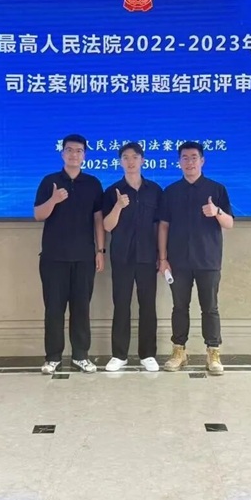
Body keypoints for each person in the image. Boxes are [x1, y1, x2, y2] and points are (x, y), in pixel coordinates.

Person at [158, 141, 234, 375]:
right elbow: (163, 226)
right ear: (179, 162)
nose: (189, 162)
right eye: (185, 157)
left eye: (193, 157)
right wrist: (163, 258)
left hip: (208, 260)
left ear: (202, 160)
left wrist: (216, 212)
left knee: (210, 308)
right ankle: (179, 352)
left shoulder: (217, 189)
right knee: (179, 307)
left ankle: (213, 353)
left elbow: (229, 223)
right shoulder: (171, 191)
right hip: (178, 261)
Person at [34, 134, 105, 374]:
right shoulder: (50, 181)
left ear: (84, 155)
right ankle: (53, 357)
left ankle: (80, 355)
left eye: (79, 151)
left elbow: (98, 219)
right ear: (62, 153)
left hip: (84, 257)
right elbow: (38, 215)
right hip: (53, 257)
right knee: (54, 309)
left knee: (81, 309)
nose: (74, 154)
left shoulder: (93, 183)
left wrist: (100, 250)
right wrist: (54, 200)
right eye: (70, 150)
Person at [102, 142, 163, 372]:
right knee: (121, 305)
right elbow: (107, 226)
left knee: (148, 305)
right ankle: (119, 355)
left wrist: (162, 256)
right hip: (122, 256)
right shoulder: (112, 191)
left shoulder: (154, 190)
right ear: (120, 162)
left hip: (148, 256)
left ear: (142, 160)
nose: (130, 161)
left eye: (135, 157)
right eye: (125, 157)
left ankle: (148, 354)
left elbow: (160, 226)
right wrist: (118, 206)